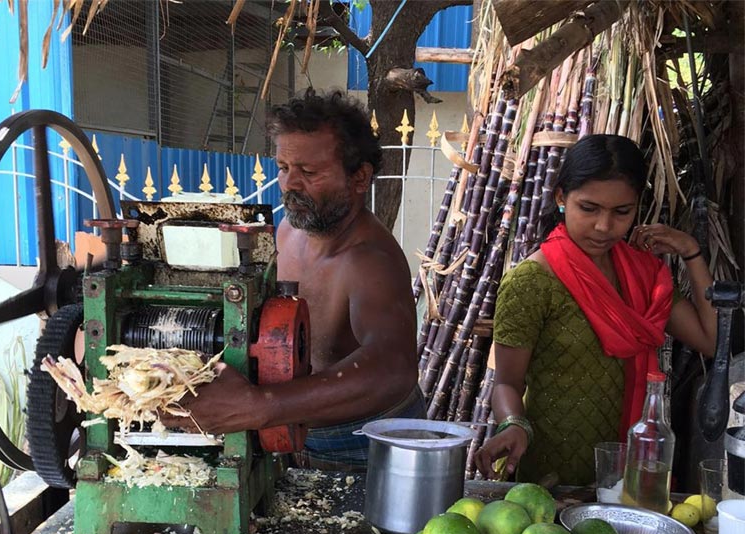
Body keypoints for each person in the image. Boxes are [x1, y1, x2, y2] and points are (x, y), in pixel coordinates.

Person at [161, 88, 423, 470]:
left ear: (360, 177)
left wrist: (260, 407)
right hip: (290, 432)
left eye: (310, 172)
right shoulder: (288, 230)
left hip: (363, 446)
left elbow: (392, 368)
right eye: (284, 168)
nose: (290, 184)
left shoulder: (370, 261)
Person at [476, 134, 717, 486]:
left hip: (628, 477)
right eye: (588, 208)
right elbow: (507, 383)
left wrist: (691, 252)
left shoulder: (644, 276)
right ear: (561, 198)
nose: (604, 227)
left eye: (622, 212)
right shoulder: (531, 282)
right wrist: (514, 424)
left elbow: (710, 340)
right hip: (550, 477)